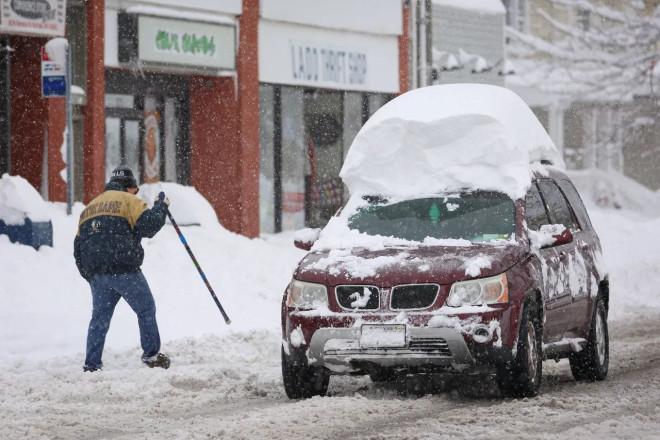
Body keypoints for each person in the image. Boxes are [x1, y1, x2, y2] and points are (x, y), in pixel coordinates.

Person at [74, 165, 171, 372]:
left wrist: (90, 275)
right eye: (135, 190)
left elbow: (78, 248)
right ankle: (151, 356)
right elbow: (150, 226)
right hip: (125, 270)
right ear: (130, 188)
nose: (136, 194)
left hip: (98, 275)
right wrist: (161, 206)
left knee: (99, 319)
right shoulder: (129, 201)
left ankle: (92, 364)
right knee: (145, 309)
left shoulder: (89, 208)